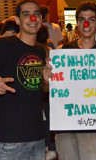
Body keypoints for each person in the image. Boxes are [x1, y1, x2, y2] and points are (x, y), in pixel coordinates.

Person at [43, 1, 96, 160]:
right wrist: (46, 79)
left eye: (91, 19)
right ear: (77, 23)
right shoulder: (61, 53)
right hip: (65, 127)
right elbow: (47, 90)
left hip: (93, 127)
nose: (86, 23)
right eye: (82, 19)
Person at [0, 0, 46, 160]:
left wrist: (47, 81)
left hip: (37, 137)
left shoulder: (42, 50)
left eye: (37, 14)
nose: (33, 19)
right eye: (27, 14)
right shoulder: (3, 45)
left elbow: (43, 90)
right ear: (18, 20)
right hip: (10, 139)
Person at [37, 24, 57, 160]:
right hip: (49, 97)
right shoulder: (50, 51)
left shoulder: (42, 51)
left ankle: (49, 146)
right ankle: (51, 147)